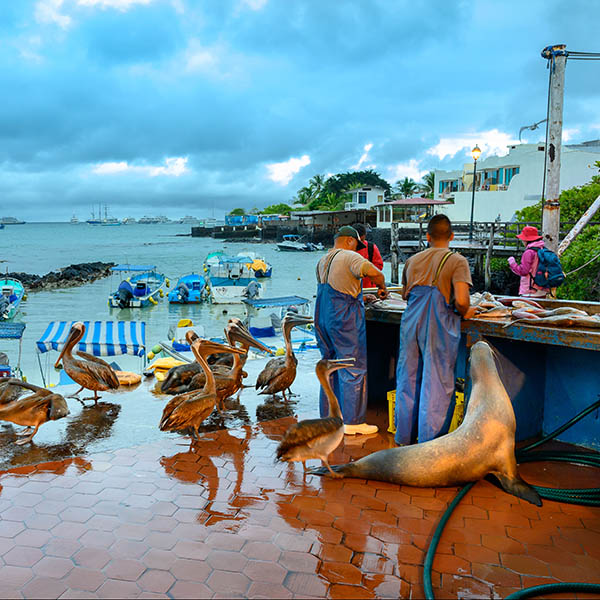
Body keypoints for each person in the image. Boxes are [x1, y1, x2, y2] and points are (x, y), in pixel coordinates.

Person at [394, 215, 477, 446]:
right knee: (437, 381)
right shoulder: (457, 260)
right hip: (438, 321)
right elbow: (461, 301)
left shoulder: (412, 261)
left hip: (411, 321)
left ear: (427, 236)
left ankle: (404, 439)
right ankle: (430, 444)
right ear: (451, 236)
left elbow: (405, 295)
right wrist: (467, 311)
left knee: (408, 377)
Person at [315, 226, 388, 435]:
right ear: (348, 241)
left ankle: (330, 417)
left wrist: (361, 296)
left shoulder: (323, 260)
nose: (358, 249)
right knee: (352, 365)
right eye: (357, 244)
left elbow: (337, 287)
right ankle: (354, 423)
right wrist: (382, 287)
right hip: (343, 319)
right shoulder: (349, 256)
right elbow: (376, 272)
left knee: (329, 366)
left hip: (322, 318)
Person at [508, 226, 549, 298]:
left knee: (527, 309)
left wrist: (512, 263)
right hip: (542, 291)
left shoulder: (529, 252)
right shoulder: (543, 249)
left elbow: (523, 271)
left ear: (526, 239)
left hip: (530, 291)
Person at [353, 223, 384, 290]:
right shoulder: (346, 249)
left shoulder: (371, 248)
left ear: (364, 236)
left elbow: (379, 266)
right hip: (351, 289)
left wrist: (366, 271)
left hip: (368, 288)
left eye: (361, 240)